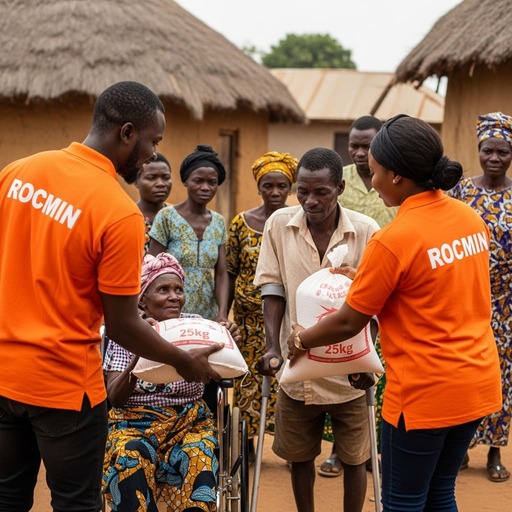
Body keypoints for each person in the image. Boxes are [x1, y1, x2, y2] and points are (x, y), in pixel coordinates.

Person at [0, 81, 223, 512]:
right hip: (65, 386)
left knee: (7, 497)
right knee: (76, 503)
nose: (153, 155)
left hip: (5, 373)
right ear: (127, 133)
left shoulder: (17, 173)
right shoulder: (118, 213)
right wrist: (183, 361)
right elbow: (122, 324)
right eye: (153, 142)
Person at [287, 114, 503, 511]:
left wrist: (301, 339)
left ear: (397, 176)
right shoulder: (469, 219)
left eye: (374, 172)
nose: (371, 182)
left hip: (424, 393)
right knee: (440, 494)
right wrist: (369, 278)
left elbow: (349, 321)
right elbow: (437, 285)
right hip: (476, 381)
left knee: (402, 502)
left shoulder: (393, 239)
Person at [255, 147, 379, 512]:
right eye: (303, 191)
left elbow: (373, 305)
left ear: (339, 188)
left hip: (349, 367)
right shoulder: (279, 224)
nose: (310, 201)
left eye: (321, 192)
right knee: (300, 457)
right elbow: (273, 288)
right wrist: (272, 346)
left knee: (355, 458)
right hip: (297, 365)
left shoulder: (365, 231)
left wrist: (365, 359)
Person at [103, 252, 241, 511]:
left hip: (188, 423)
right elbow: (116, 397)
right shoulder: (125, 334)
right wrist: (142, 349)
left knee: (198, 455)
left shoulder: (197, 327)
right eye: (163, 290)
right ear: (142, 299)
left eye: (179, 289)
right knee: (129, 455)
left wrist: (228, 339)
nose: (174, 296)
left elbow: (224, 367)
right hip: (133, 424)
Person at [321, 115, 395, 477]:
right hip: (340, 286)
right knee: (342, 366)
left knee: (374, 370)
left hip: (386, 285)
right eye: (354, 145)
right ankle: (339, 450)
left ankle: (369, 451)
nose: (360, 152)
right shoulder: (341, 179)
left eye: (367, 146)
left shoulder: (393, 180)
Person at [448, 111, 512, 483]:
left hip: (505, 305)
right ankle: (461, 449)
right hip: (462, 299)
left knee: (500, 376)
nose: (494, 158)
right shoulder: (461, 192)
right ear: (479, 149)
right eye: (488, 150)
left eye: (503, 152)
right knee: (462, 374)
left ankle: (495, 451)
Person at [226, 151, 298, 461]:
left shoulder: (296, 223)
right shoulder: (241, 223)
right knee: (247, 381)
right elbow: (229, 271)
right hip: (247, 322)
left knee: (286, 380)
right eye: (268, 185)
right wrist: (223, 314)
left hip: (285, 318)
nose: (275, 192)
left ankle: (290, 446)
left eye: (282, 186)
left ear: (290, 188)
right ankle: (246, 444)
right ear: (258, 187)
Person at [148, 144, 229, 323]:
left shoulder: (218, 222)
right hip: (171, 311)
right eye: (198, 181)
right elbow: (151, 267)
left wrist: (222, 313)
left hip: (207, 314)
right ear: (185, 181)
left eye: (212, 182)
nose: (205, 187)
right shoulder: (167, 217)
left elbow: (222, 273)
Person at [135, 152, 173, 255]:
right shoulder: (128, 217)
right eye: (151, 177)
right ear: (136, 181)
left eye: (166, 177)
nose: (160, 184)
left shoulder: (178, 217)